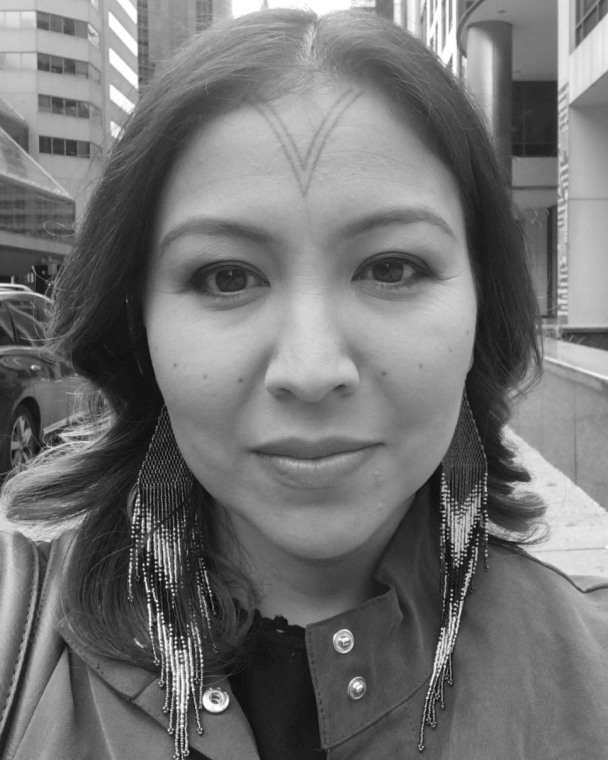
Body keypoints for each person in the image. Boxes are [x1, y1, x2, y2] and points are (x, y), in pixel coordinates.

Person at [1, 7, 607, 760]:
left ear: (484, 307)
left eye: (392, 268)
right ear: (137, 324)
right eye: (227, 277)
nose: (312, 372)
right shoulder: (15, 642)